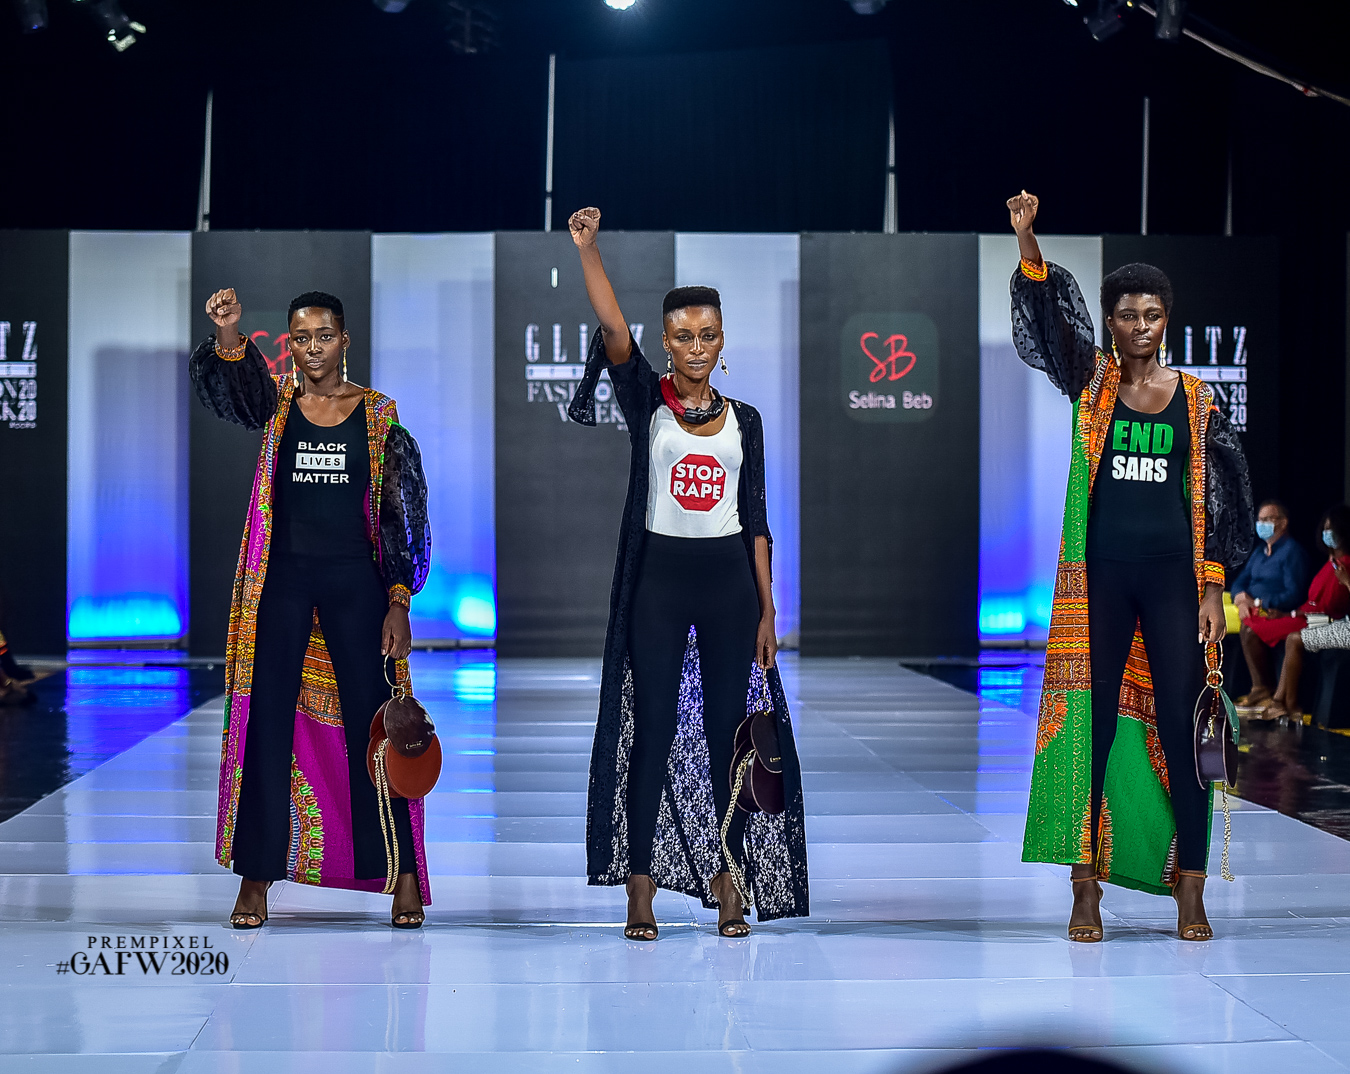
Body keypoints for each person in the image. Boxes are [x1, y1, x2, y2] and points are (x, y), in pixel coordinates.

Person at [1007, 191, 1253, 943]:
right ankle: (1084, 887)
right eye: (1126, 315)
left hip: (1173, 583)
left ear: (1165, 321)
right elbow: (1051, 323)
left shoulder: (1198, 402)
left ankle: (1190, 888)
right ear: (1109, 322)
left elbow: (1226, 497)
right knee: (1092, 728)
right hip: (1100, 582)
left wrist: (1213, 586)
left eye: (1151, 315)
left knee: (1183, 730)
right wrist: (1028, 242)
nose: (1140, 326)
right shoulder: (1092, 386)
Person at [565, 207, 809, 940]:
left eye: (707, 334)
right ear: (665, 341)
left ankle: (728, 876)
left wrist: (768, 611)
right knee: (653, 729)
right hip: (660, 583)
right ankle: (640, 883)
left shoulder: (747, 420)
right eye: (682, 336)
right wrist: (589, 250)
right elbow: (613, 328)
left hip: (730, 585)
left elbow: (757, 520)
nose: (696, 346)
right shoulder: (648, 400)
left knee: (729, 736)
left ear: (722, 339)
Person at [191, 288, 432, 929]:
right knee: (266, 722)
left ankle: (403, 872)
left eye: (324, 336)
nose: (313, 348)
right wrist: (228, 332)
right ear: (289, 345)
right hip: (283, 584)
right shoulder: (277, 407)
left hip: (357, 584)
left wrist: (399, 600)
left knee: (378, 728)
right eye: (301, 338)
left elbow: (402, 516)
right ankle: (256, 875)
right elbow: (232, 391)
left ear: (344, 340)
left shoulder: (378, 416)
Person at [1246, 506, 1350, 720]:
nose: (1328, 534)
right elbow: (1312, 602)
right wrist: (1288, 615)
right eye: (1325, 529)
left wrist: (1346, 581)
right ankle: (1271, 696)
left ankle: (1284, 702)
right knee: (1252, 624)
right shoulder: (1331, 563)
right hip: (1311, 617)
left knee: (1291, 637)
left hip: (1329, 621)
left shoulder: (1345, 565)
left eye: (1332, 529)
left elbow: (1329, 606)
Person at [1231, 499, 1309, 712]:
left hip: (1277, 611)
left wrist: (1260, 603)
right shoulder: (1259, 552)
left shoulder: (1292, 552)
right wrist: (1241, 598)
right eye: (1260, 520)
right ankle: (1258, 688)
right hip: (1253, 609)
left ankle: (1262, 688)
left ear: (1283, 523)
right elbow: (1239, 582)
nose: (1262, 524)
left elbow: (1294, 593)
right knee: (1244, 621)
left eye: (1268, 519)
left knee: (1249, 628)